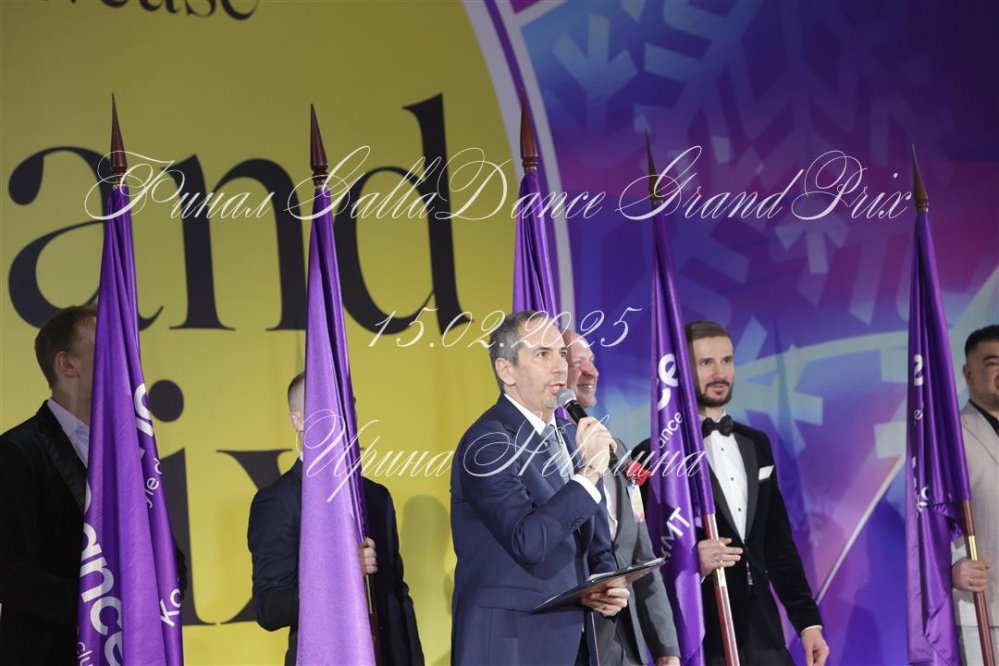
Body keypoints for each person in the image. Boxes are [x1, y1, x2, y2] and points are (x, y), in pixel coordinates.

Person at [0, 305, 187, 664]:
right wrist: (103, 609)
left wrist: (153, 607)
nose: (124, 361)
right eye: (108, 348)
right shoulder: (16, 452)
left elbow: (168, 555)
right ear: (67, 364)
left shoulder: (131, 451)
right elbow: (9, 571)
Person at [635, 320, 827, 666]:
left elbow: (778, 544)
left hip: (765, 633)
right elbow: (641, 556)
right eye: (706, 363)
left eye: (726, 360)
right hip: (701, 635)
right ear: (680, 371)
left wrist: (808, 623)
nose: (719, 373)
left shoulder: (756, 443)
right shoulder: (656, 454)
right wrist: (690, 563)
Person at [450, 311, 629, 665]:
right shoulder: (487, 443)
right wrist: (591, 471)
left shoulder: (570, 436)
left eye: (561, 353)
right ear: (506, 370)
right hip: (511, 645)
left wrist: (606, 584)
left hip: (579, 643)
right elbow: (528, 541)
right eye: (543, 354)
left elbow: (595, 542)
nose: (560, 366)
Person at [247, 372, 423, 666]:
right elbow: (269, 608)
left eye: (347, 405)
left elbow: (396, 595)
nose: (342, 418)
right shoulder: (279, 501)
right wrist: (343, 574)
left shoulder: (376, 496)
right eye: (325, 407)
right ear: (298, 421)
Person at [564, 330, 680, 666]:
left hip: (627, 645)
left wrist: (666, 649)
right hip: (575, 641)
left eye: (592, 361)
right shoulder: (546, 454)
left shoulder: (620, 451)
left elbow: (641, 555)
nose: (592, 372)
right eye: (577, 363)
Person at [952, 325, 998, 664]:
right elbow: (928, 519)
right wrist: (952, 567)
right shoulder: (948, 438)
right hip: (986, 611)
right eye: (993, 363)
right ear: (968, 373)